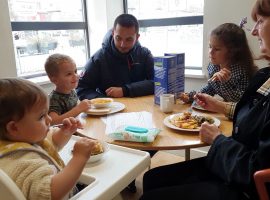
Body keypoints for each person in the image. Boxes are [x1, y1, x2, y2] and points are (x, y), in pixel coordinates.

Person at [140, 0, 270, 199]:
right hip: (234, 160)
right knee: (151, 179)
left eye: (260, 21)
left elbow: (255, 170)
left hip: (244, 185)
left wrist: (217, 140)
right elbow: (249, 111)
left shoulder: (242, 72)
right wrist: (212, 103)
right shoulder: (264, 76)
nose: (253, 31)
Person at [0, 78, 97, 200]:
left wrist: (65, 132)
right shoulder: (19, 160)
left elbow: (51, 143)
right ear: (14, 128)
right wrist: (79, 157)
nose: (49, 120)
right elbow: (50, 193)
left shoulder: (20, 138)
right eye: (41, 116)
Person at [77, 13, 154, 100]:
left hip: (140, 107)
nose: (122, 44)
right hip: (109, 109)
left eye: (129, 39)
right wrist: (105, 101)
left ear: (137, 37)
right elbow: (81, 89)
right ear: (113, 33)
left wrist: (125, 90)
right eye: (118, 38)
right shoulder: (98, 58)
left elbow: (158, 83)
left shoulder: (145, 54)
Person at [181, 23, 258, 104]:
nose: (211, 52)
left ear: (232, 52)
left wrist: (225, 83)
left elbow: (241, 101)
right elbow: (211, 88)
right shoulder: (213, 67)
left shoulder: (243, 71)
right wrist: (192, 97)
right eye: (210, 47)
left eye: (217, 49)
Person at [45, 53, 91, 125]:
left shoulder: (72, 91)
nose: (75, 76)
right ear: (54, 80)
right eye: (69, 74)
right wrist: (79, 109)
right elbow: (53, 121)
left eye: (75, 71)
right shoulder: (54, 99)